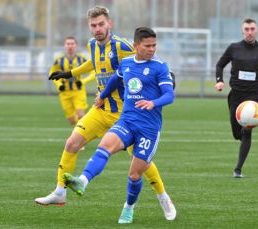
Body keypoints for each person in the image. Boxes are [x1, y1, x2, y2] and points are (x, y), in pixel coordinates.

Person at [35, 6, 176, 221]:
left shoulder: (122, 46)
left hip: (125, 113)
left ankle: (163, 196)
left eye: (101, 24)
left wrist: (167, 77)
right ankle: (60, 192)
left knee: (141, 164)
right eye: (93, 25)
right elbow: (95, 63)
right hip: (100, 109)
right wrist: (70, 74)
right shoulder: (93, 44)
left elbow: (143, 57)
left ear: (109, 23)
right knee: (72, 143)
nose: (98, 29)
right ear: (89, 27)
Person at [215, 18, 258, 178]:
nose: (249, 32)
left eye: (252, 29)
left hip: (254, 96)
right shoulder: (234, 48)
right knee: (237, 132)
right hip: (236, 94)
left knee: (247, 131)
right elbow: (219, 65)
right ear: (242, 31)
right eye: (247, 29)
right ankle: (240, 135)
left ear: (256, 31)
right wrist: (219, 81)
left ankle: (238, 169)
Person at [49, 36, 95, 125]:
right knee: (72, 120)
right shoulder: (59, 60)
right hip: (64, 92)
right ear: (64, 46)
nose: (70, 46)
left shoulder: (81, 59)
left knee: (81, 115)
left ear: (76, 46)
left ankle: (83, 133)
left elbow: (94, 71)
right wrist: (59, 85)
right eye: (68, 44)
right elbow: (52, 73)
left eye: (72, 44)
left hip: (78, 91)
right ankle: (79, 130)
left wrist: (83, 81)